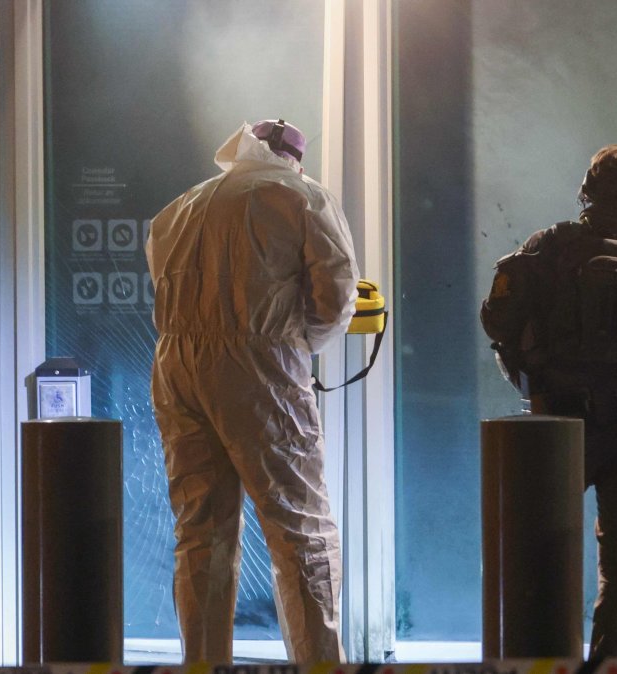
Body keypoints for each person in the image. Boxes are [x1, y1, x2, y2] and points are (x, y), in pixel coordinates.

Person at [147, 119, 359, 663]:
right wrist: (300, 344)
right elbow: (336, 298)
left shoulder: (182, 206)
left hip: (175, 366)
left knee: (201, 532)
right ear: (294, 160)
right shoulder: (300, 196)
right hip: (258, 365)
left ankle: (203, 660)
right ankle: (320, 663)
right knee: (300, 529)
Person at [480, 144, 617, 659]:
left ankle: (539, 656)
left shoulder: (544, 251)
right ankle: (613, 661)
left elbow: (497, 322)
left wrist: (532, 376)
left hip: (554, 426)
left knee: (537, 547)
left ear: (587, 188)